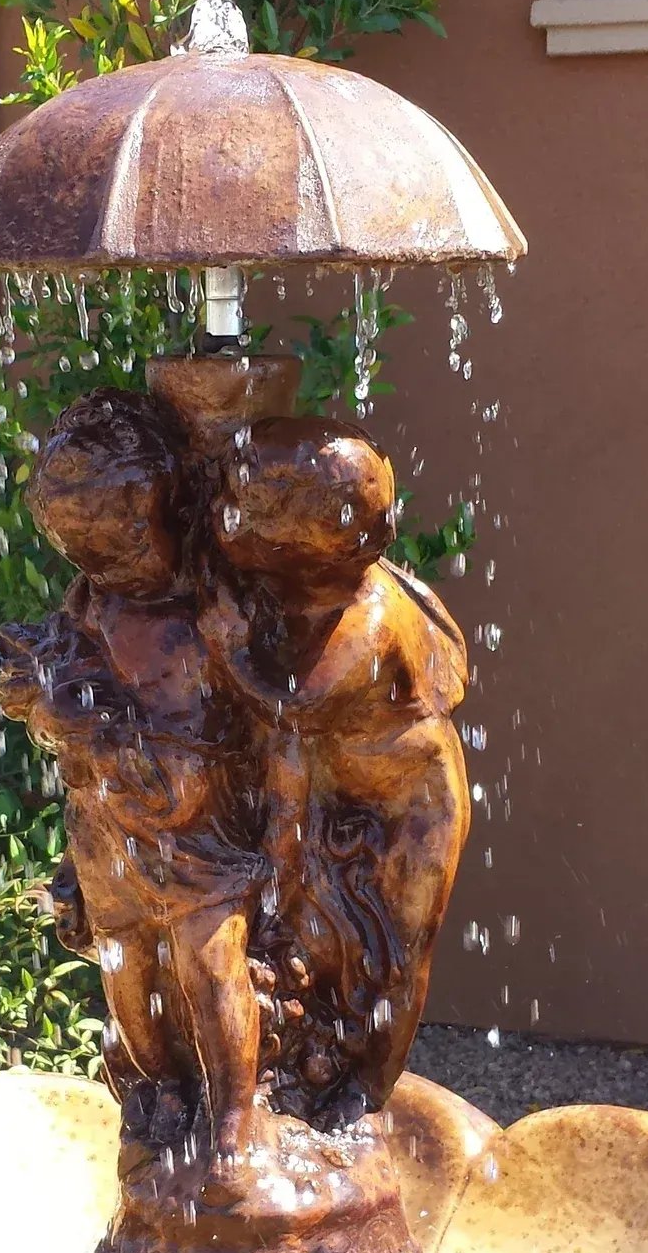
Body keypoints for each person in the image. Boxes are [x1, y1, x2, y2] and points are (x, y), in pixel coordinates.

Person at [0, 389, 269, 1164]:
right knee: (126, 967)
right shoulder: (88, 608)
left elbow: (254, 713)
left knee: (212, 962)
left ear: (169, 512)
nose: (109, 568)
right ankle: (157, 1086)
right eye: (87, 553)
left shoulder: (209, 608)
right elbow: (51, 687)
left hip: (194, 822)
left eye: (125, 544)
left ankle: (237, 1111)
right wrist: (34, 690)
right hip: (106, 825)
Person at [199, 414, 470, 1121]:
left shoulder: (368, 616)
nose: (228, 519)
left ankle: (366, 1086)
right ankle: (301, 1064)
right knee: (319, 942)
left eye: (252, 510)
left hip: (409, 807)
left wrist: (228, 647)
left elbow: (295, 707)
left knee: (395, 952)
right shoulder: (302, 591)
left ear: (320, 539)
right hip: (338, 791)